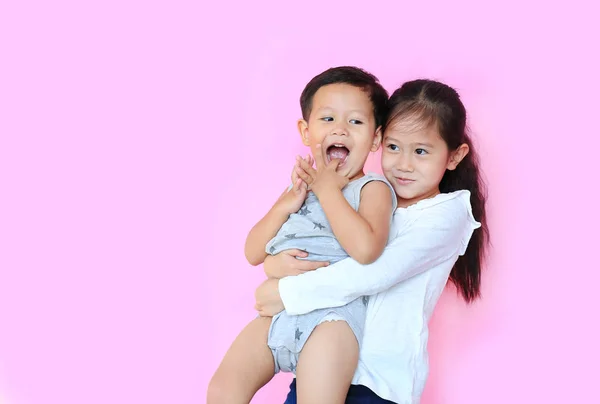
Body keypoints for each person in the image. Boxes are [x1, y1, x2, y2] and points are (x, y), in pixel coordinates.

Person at [254, 78, 490, 404]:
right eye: (394, 147)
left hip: (378, 382)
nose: (404, 164)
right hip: (321, 362)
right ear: (378, 140)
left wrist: (284, 293)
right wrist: (274, 263)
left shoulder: (446, 215)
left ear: (454, 156)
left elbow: (374, 272)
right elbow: (322, 246)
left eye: (421, 151)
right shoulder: (372, 196)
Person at [207, 66, 397, 404]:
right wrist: (283, 207)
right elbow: (253, 252)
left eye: (355, 122)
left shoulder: (372, 190)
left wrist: (327, 191)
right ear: (306, 131)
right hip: (277, 313)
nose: (340, 129)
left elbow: (367, 250)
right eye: (327, 119)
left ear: (376, 138)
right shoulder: (297, 190)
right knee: (223, 389)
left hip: (332, 319)